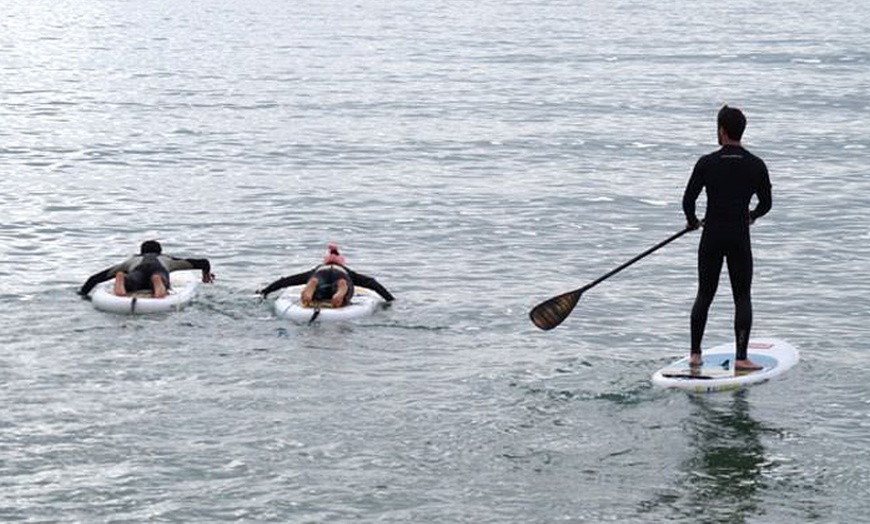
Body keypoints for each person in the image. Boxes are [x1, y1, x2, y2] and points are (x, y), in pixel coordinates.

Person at [682, 105, 772, 371]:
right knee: (742, 296)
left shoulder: (707, 162)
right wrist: (752, 214)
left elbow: (688, 200)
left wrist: (692, 221)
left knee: (704, 295)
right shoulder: (756, 165)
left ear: (721, 130)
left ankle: (695, 355)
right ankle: (742, 358)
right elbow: (766, 203)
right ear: (741, 131)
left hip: (711, 236)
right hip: (738, 238)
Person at [258, 243, 394, 307]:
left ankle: (313, 285)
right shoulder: (348, 272)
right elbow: (372, 283)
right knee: (343, 289)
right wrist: (390, 299)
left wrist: (265, 291)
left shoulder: (318, 269)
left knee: (315, 287)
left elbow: (286, 281)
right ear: (342, 263)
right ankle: (342, 289)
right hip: (341, 277)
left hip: (319, 276)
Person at [78, 240, 214, 298]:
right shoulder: (167, 259)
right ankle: (157, 281)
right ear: (160, 251)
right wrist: (205, 276)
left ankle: (121, 279)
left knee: (131, 280)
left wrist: (83, 294)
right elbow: (203, 262)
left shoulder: (131, 260)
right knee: (159, 277)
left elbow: (94, 279)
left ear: (140, 251)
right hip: (158, 269)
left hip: (136, 270)